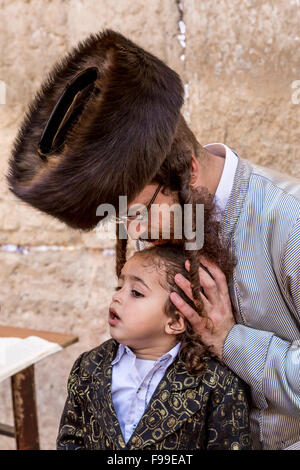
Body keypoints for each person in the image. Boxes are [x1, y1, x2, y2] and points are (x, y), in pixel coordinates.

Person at [6, 29, 299, 450]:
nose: (136, 232)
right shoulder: (172, 213)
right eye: (123, 219)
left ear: (189, 172)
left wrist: (231, 340)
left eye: (139, 213)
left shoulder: (290, 220)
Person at [57, 243, 252, 450]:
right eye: (119, 287)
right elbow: (70, 439)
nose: (117, 296)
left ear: (175, 321)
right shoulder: (88, 367)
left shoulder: (217, 384)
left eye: (136, 293)